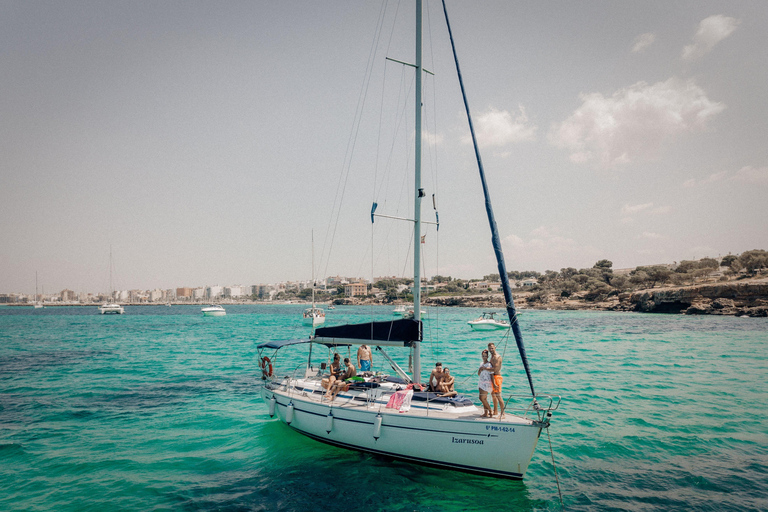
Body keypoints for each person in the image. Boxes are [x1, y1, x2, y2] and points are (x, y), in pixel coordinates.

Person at [488, 342, 504, 417]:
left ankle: (502, 413)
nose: (491, 349)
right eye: (489, 348)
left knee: (498, 395)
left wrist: (484, 368)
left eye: (492, 348)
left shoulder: (497, 357)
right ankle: (495, 411)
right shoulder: (491, 356)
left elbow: (495, 368)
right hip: (492, 377)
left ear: (495, 348)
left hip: (497, 377)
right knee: (493, 395)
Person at [477, 349, 493, 417]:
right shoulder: (481, 364)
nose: (484, 357)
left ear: (487, 356)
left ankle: (490, 410)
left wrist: (494, 384)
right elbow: (478, 374)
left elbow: (492, 374)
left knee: (482, 398)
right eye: (483, 356)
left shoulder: (489, 364)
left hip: (487, 383)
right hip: (481, 382)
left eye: (485, 356)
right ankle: (486, 413)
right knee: (483, 399)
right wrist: (480, 369)